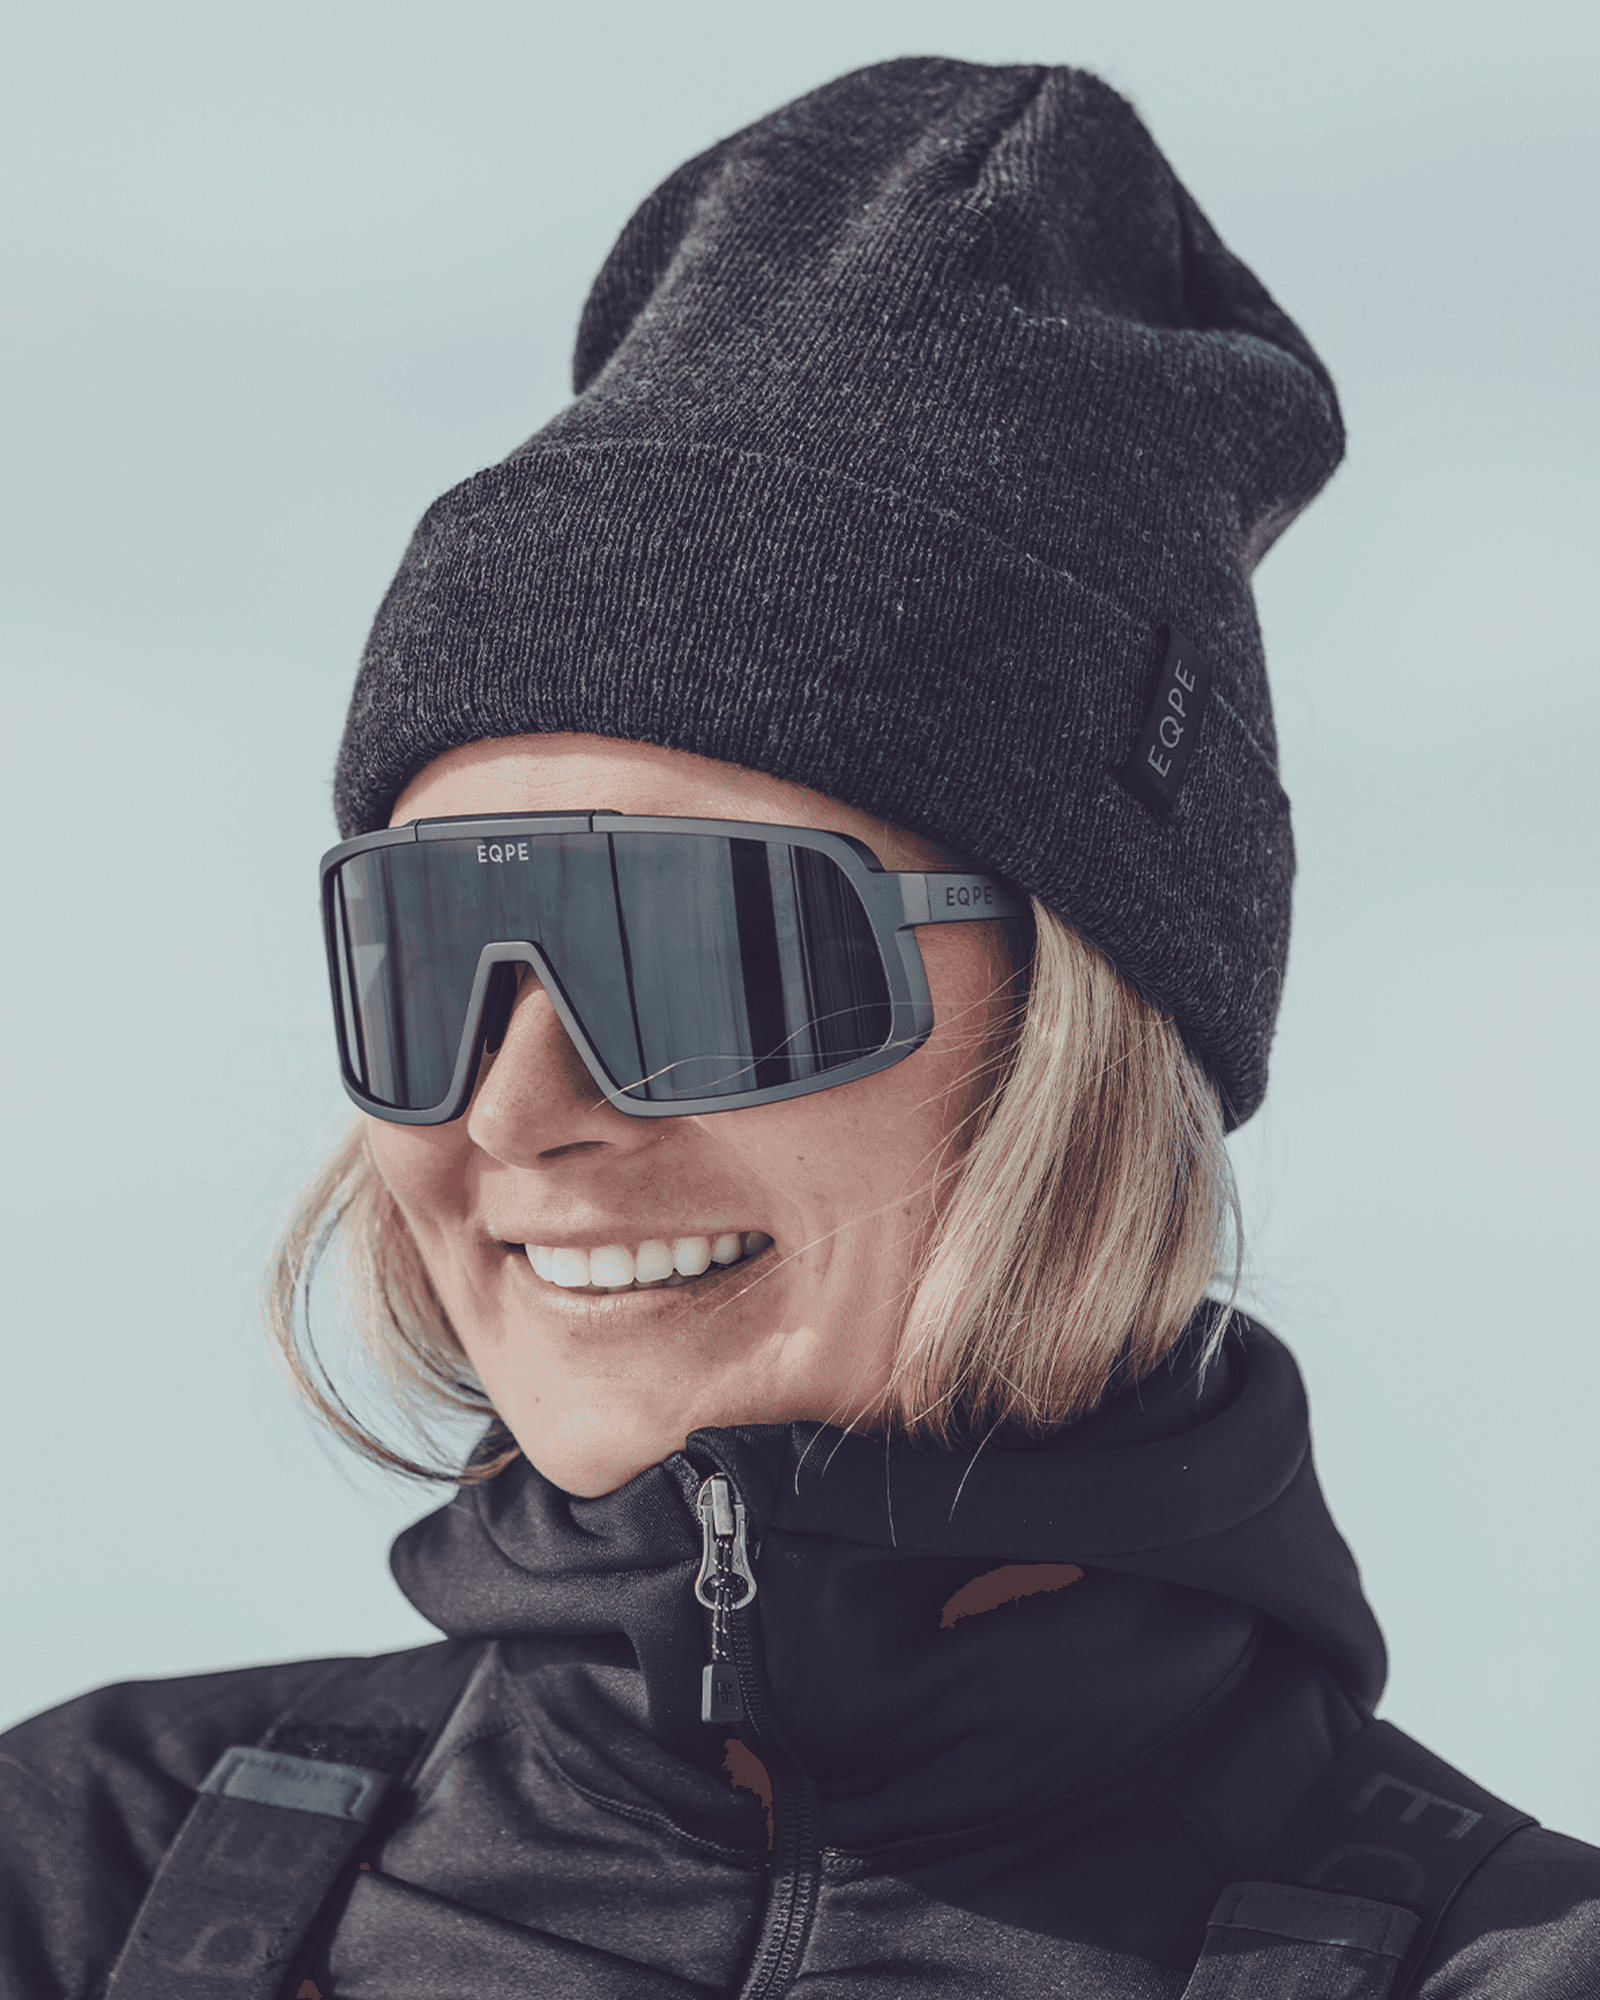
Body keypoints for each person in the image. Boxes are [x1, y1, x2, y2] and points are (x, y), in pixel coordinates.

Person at [2, 56, 1595, 2000]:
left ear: (1083, 1032)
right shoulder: (79, 1873)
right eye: (432, 947)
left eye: (702, 949)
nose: (519, 1106)